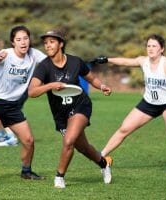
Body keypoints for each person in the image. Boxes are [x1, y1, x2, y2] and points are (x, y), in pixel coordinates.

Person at [28, 30, 113, 189]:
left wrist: (102, 86)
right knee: (82, 147)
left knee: (68, 141)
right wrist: (50, 86)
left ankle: (59, 177)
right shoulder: (44, 67)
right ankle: (103, 163)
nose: (48, 45)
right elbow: (32, 92)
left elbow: (91, 78)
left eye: (51, 42)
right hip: (60, 114)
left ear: (61, 44)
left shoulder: (75, 62)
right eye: (45, 43)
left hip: (80, 105)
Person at [99, 34, 166, 173]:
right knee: (124, 128)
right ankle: (100, 155)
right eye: (148, 46)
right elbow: (125, 62)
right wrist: (106, 59)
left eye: (154, 46)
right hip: (149, 103)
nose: (151, 48)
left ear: (162, 49)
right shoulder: (143, 61)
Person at [0, 25, 46, 181]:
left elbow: (50, 62)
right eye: (19, 39)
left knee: (29, 141)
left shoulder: (34, 55)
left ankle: (26, 172)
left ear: (30, 40)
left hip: (12, 105)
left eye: (26, 38)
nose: (23, 42)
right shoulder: (6, 54)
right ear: (12, 42)